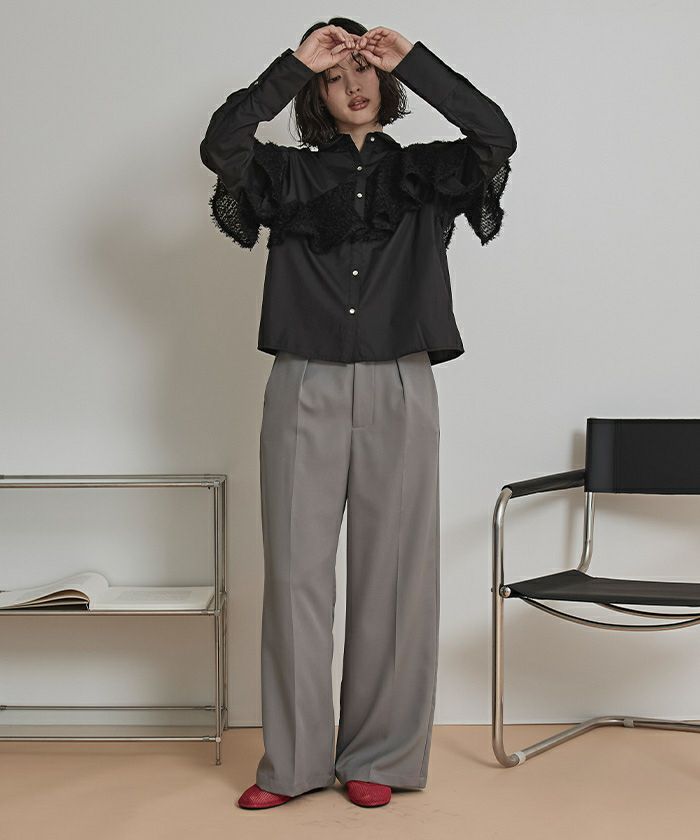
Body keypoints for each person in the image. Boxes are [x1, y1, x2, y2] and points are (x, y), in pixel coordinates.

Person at [200, 18, 516, 810]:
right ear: (316, 89)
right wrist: (292, 63)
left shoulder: (427, 172)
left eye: (365, 69)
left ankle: (379, 756)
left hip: (399, 382)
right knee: (295, 577)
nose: (354, 83)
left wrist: (412, 58)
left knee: (395, 576)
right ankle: (295, 763)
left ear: (387, 80)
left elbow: (496, 135)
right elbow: (221, 143)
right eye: (335, 72)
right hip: (302, 381)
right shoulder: (283, 174)